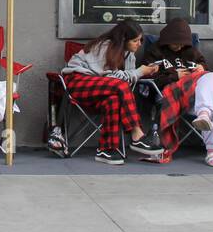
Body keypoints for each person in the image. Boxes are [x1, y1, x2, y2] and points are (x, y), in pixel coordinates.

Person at [61, 20, 164, 166]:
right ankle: (137, 133)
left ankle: (106, 149)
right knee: (119, 87)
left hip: (102, 89)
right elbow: (112, 79)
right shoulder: (104, 47)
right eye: (135, 40)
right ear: (123, 40)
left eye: (140, 40)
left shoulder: (129, 55)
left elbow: (126, 80)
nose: (139, 44)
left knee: (114, 100)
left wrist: (139, 72)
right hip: (78, 82)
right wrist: (140, 72)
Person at [138, 17, 213, 166]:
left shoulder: (191, 51)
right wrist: (175, 76)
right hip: (169, 95)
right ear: (167, 39)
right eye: (175, 43)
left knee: (210, 76)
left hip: (192, 98)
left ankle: (205, 116)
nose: (179, 47)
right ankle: (212, 149)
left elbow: (203, 65)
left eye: (182, 44)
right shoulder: (155, 51)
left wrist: (201, 68)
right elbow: (148, 78)